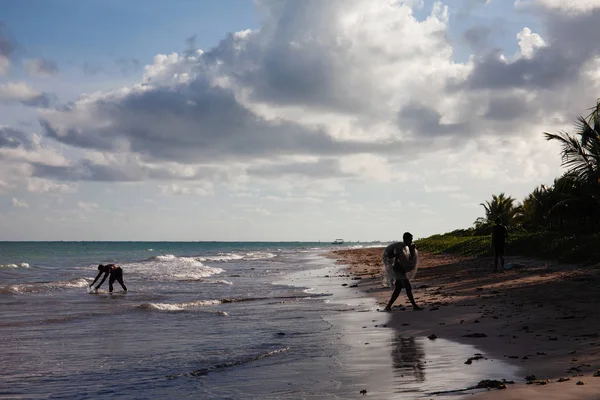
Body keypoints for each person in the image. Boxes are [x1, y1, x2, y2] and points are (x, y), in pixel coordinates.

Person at [382, 232, 422, 311]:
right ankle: (414, 306)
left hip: (399, 269)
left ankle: (388, 306)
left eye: (411, 239)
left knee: (398, 288)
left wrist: (412, 250)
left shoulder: (404, 247)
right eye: (410, 239)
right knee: (407, 287)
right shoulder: (400, 248)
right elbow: (402, 260)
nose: (411, 241)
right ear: (405, 239)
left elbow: (406, 259)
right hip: (399, 269)